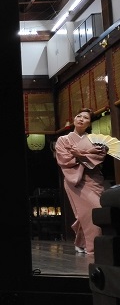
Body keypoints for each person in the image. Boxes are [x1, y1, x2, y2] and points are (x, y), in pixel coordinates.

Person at [55, 108, 107, 254]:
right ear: (74, 119)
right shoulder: (63, 140)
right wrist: (86, 153)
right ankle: (93, 247)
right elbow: (64, 159)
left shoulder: (95, 140)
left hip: (93, 179)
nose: (81, 119)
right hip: (75, 180)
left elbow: (99, 157)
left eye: (85, 118)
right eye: (79, 116)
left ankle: (81, 242)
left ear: (89, 123)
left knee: (89, 212)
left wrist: (79, 154)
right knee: (90, 211)